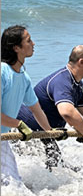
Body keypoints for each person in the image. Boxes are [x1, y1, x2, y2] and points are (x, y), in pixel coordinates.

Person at [1, 25, 52, 185]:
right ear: (16, 48)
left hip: (2, 140)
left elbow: (36, 110)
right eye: (29, 41)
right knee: (14, 187)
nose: (34, 44)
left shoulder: (23, 77)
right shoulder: (2, 71)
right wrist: (19, 124)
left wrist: (50, 133)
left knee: (12, 186)